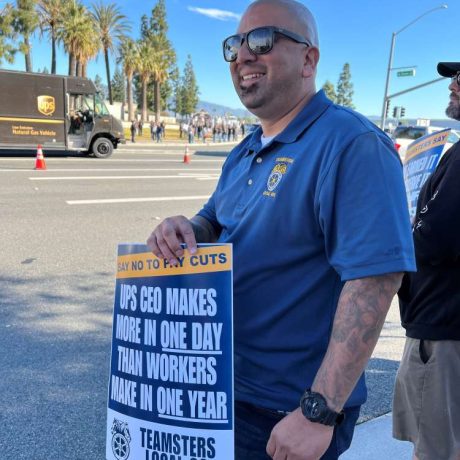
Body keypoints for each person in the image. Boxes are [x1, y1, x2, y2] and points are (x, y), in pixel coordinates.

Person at [147, 1, 415, 458]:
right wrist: (185, 228)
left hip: (285, 411)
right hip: (223, 388)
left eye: (263, 40)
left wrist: (319, 411)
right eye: (235, 45)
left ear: (309, 60)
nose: (244, 56)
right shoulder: (246, 148)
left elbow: (374, 280)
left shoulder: (352, 144)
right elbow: (215, 219)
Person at [393, 62, 460, 460]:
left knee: (435, 451)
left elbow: (433, 240)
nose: (452, 85)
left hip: (443, 332)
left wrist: (395, 227)